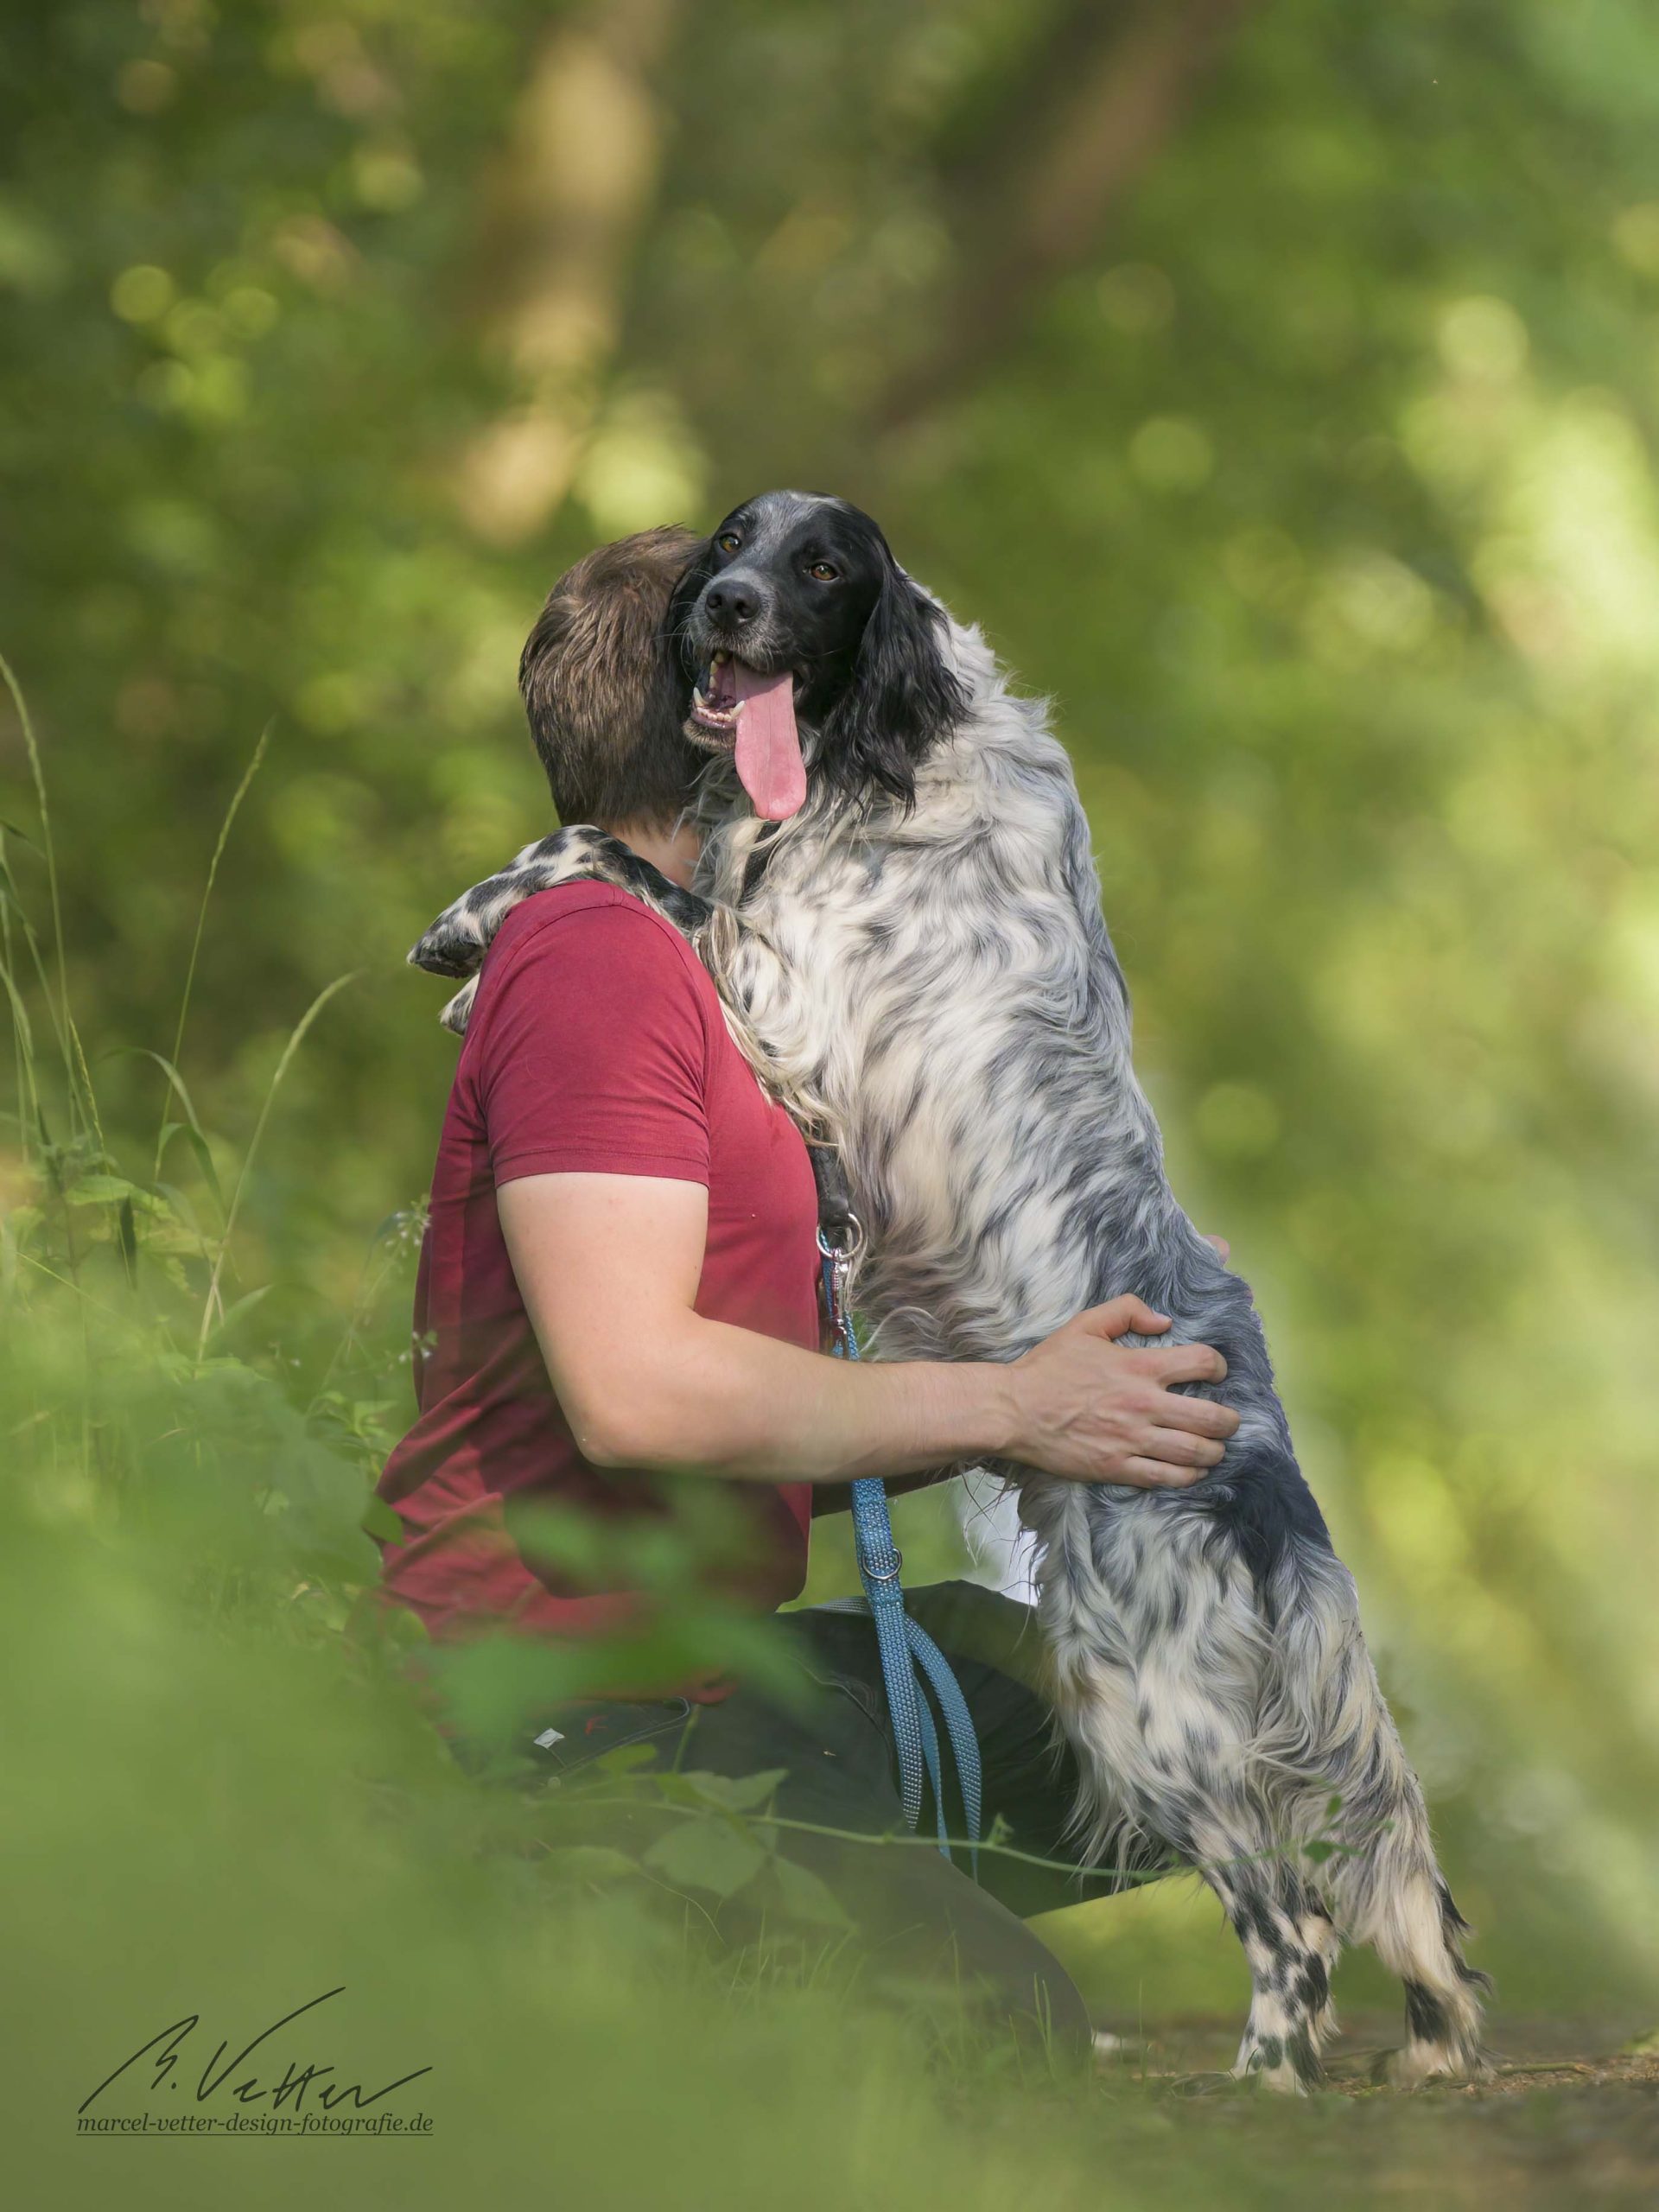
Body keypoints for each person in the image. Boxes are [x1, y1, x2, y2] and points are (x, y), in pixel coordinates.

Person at [378, 528, 1242, 2064]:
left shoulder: (696, 963)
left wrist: (1044, 1406)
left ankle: (786, 1929)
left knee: (1204, 1716)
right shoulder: (592, 963)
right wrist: (1008, 1402)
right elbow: (636, 1391)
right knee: (992, 2042)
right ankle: (596, 1961)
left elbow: (755, 1392)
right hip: (570, 1718)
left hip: (717, 1670)